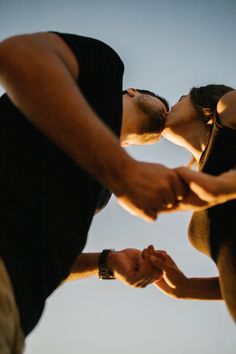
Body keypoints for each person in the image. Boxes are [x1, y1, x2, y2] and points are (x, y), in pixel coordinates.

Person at [0, 31, 186, 353]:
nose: (166, 111)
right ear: (131, 92)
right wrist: (123, 170)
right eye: (163, 102)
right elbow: (16, 54)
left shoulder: (101, 191)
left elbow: (49, 257)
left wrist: (108, 262)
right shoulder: (103, 72)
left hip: (14, 313)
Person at [147, 85, 236, 322]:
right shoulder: (202, 179)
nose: (170, 106)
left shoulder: (228, 113)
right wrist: (186, 287)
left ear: (204, 102)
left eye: (180, 98)